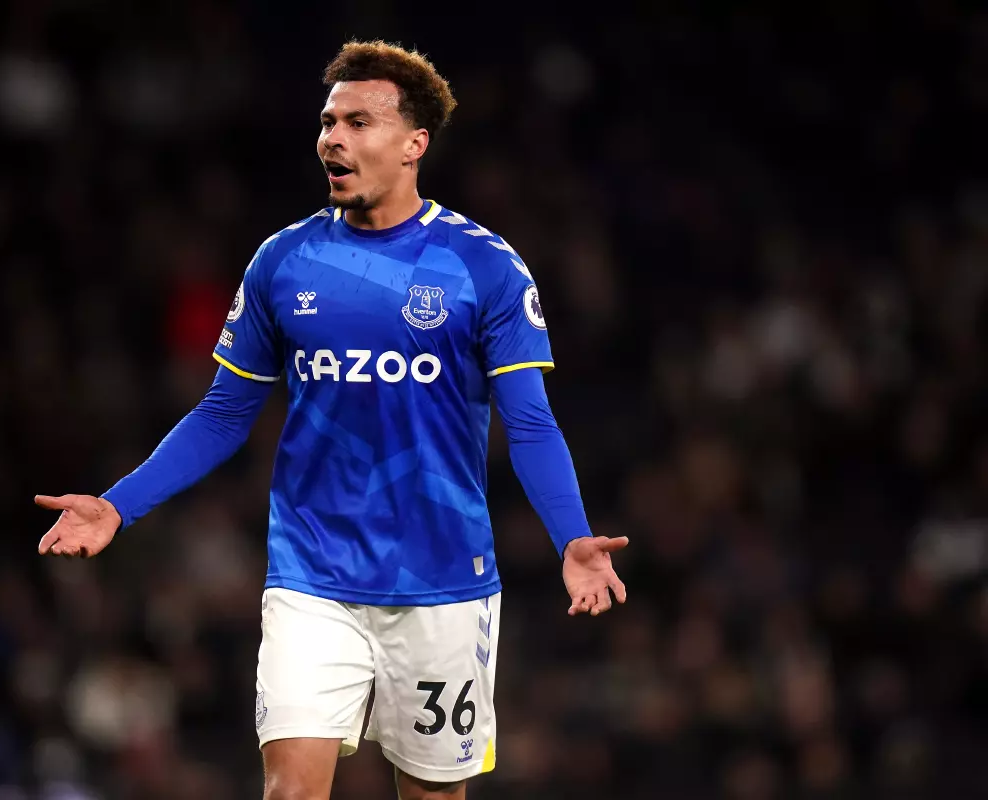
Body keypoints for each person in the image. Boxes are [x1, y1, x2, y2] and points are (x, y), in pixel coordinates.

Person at [35, 40, 628, 800]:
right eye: (327, 122)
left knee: (433, 796)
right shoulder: (283, 263)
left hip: (443, 581)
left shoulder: (483, 267)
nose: (332, 140)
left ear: (414, 143)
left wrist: (572, 537)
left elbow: (532, 426)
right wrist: (119, 504)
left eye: (357, 122)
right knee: (290, 791)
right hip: (312, 576)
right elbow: (223, 414)